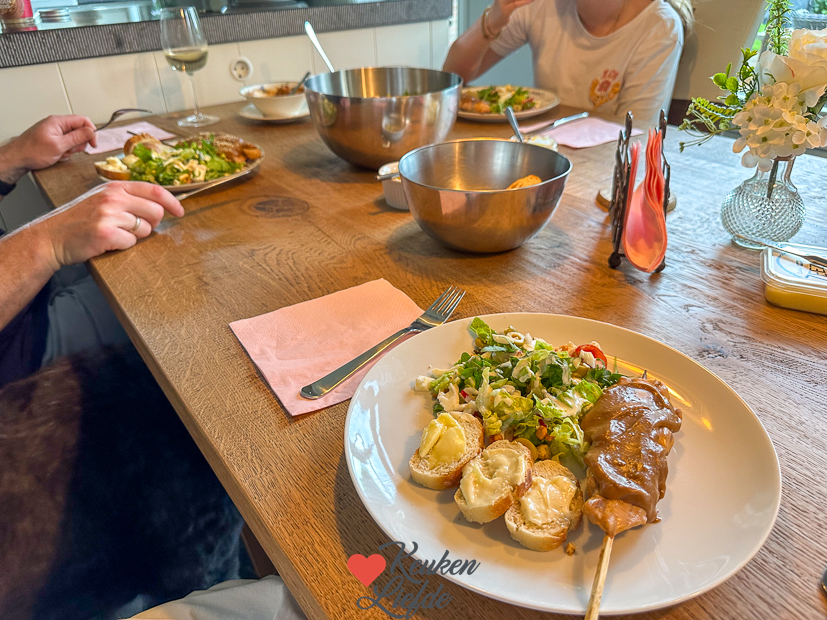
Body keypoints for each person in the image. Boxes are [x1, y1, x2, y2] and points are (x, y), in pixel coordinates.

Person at [0, 115, 184, 388]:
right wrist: (49, 240)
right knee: (176, 281)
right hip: (23, 344)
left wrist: (11, 158)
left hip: (24, 272)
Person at [444, 0, 693, 127]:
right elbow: (451, 77)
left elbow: (634, 134)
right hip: (545, 152)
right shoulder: (541, 6)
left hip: (602, 169)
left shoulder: (660, 27)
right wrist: (493, 20)